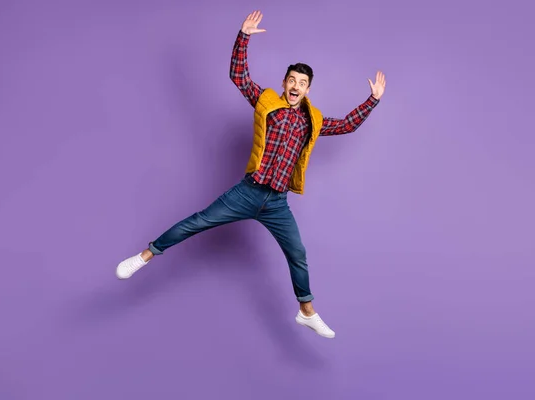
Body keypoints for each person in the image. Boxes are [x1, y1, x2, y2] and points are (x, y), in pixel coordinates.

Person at [115, 10, 386, 339]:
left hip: (277, 204)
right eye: (292, 80)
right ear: (285, 83)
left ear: (308, 89)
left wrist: (372, 100)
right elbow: (239, 76)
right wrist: (243, 37)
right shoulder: (266, 101)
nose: (296, 86)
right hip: (248, 192)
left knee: (297, 253)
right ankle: (145, 256)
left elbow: (345, 125)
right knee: (197, 222)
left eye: (302, 83)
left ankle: (306, 311)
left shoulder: (312, 120)